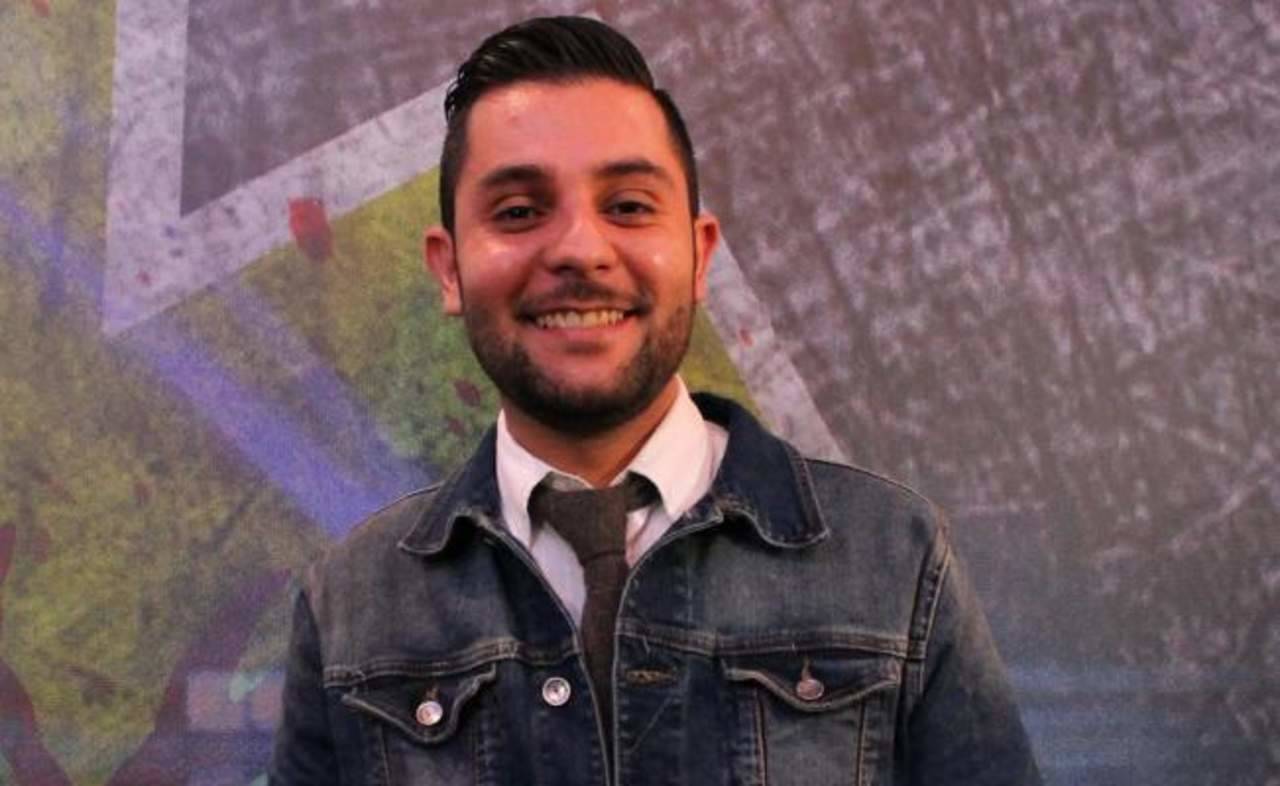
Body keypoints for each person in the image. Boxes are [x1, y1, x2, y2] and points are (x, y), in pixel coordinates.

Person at [270, 15, 1041, 786]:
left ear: (700, 256)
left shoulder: (896, 562)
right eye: (519, 212)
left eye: (630, 206)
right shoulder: (350, 608)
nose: (580, 250)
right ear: (449, 270)